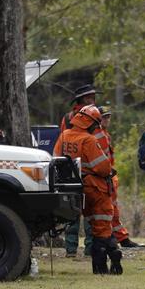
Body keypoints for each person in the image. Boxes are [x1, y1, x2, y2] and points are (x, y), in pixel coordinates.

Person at [54, 105, 122, 274]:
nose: (96, 127)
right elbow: (103, 167)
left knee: (93, 222)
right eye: (95, 124)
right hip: (95, 188)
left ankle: (107, 261)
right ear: (89, 122)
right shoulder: (89, 140)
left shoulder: (64, 136)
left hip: (76, 189)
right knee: (102, 225)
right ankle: (102, 266)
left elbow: (56, 160)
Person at [60, 84, 99, 257]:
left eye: (93, 97)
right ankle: (72, 249)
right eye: (89, 98)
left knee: (87, 213)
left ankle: (89, 249)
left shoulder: (93, 116)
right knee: (76, 212)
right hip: (79, 172)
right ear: (81, 100)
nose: (92, 100)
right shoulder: (69, 118)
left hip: (81, 172)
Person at [99, 107, 142, 248]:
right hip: (103, 177)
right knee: (107, 210)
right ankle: (115, 238)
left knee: (113, 210)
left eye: (108, 117)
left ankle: (121, 238)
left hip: (110, 177)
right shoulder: (97, 134)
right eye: (104, 117)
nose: (107, 120)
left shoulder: (105, 134)